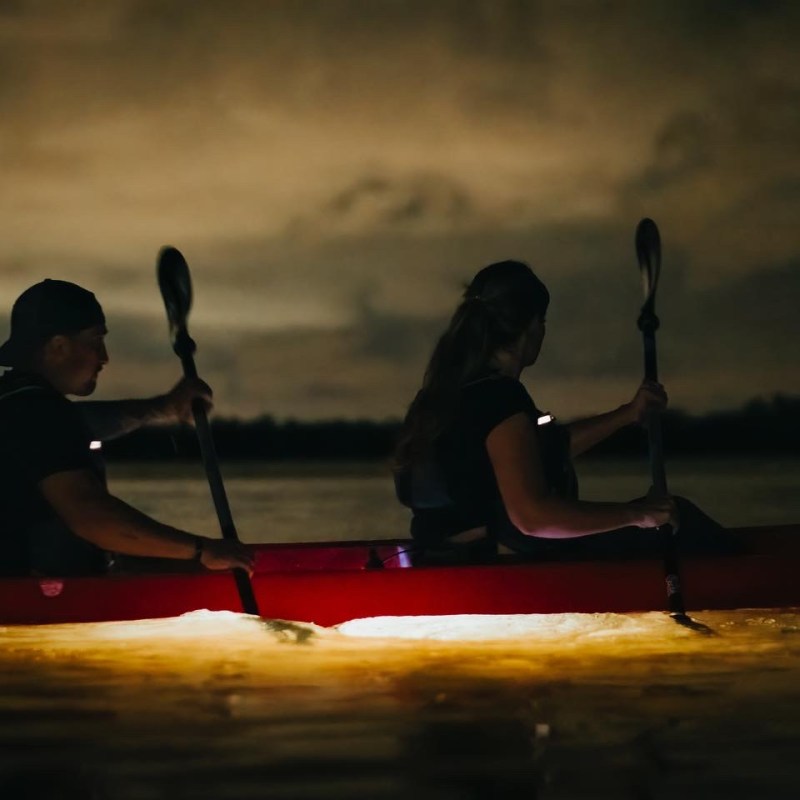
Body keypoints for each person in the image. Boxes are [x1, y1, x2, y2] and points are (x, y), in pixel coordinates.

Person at [394, 260, 727, 564]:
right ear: (533, 327)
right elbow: (533, 518)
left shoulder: (445, 394)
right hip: (493, 566)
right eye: (543, 321)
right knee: (679, 516)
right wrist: (638, 515)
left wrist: (628, 413)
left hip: (439, 557)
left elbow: (548, 449)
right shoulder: (500, 399)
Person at [0, 278, 253, 577]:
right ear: (58, 347)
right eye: (95, 341)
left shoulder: (17, 404)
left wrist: (166, 406)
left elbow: (86, 423)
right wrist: (202, 550)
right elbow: (90, 516)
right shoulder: (40, 413)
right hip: (30, 600)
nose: (104, 357)